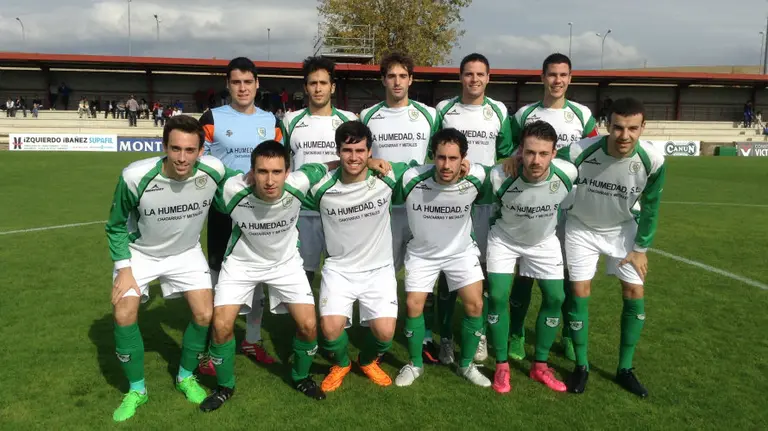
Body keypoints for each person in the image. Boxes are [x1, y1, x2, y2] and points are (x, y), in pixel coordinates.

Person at [199, 141, 392, 411]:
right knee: (221, 327)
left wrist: (369, 162)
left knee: (309, 326)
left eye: (277, 172)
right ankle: (224, 387)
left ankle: (301, 377)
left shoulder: (300, 183)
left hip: (285, 264)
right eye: (262, 172)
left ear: (288, 172)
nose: (269, 180)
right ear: (251, 172)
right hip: (242, 264)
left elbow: (328, 165)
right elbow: (200, 175)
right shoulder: (233, 189)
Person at [104, 115, 228, 422]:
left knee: (204, 314)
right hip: (140, 254)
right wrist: (124, 269)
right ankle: (136, 389)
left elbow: (243, 184)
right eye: (175, 149)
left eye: (190, 150)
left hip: (186, 253)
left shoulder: (215, 170)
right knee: (123, 313)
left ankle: (186, 377)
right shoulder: (135, 176)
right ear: (164, 147)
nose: (182, 158)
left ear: (202, 150)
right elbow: (116, 225)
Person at [558, 97, 665, 397]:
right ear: (607, 126)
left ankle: (625, 369)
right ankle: (581, 366)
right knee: (579, 291)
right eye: (618, 128)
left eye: (633, 128)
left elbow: (653, 207)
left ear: (643, 127)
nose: (625, 135)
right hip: (581, 227)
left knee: (634, 291)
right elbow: (547, 163)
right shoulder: (580, 150)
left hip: (623, 231)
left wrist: (641, 248)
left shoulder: (653, 161)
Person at [506, 53, 599, 362]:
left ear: (570, 78)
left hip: (571, 210)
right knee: (524, 274)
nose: (557, 80)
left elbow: (594, 157)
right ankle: (517, 333)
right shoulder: (524, 115)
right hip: (530, 209)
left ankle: (570, 335)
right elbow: (509, 155)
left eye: (563, 75)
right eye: (552, 74)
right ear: (542, 77)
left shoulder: (582, 115)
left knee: (571, 277)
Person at [308, 121, 413, 393]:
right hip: (338, 269)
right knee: (330, 330)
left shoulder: (385, 177)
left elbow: (422, 167)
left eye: (360, 151)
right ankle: (342, 364)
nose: (353, 157)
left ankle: (366, 361)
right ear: (338, 151)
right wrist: (329, 165)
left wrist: (466, 165)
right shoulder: (321, 188)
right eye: (347, 151)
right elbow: (295, 178)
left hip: (378, 270)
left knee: (385, 334)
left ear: (370, 152)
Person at [198, 57, 283, 371]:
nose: (243, 88)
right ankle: (213, 345)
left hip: (259, 211)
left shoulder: (271, 121)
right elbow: (199, 162)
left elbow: (279, 163)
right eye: (236, 82)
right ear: (228, 85)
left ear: (257, 84)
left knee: (257, 275)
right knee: (218, 276)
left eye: (248, 82)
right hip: (222, 211)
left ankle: (252, 338)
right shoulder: (211, 118)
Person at [360, 51, 442, 364]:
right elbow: (358, 154)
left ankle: (425, 337)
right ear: (383, 79)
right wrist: (369, 160)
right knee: (383, 273)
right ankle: (378, 334)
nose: (397, 82)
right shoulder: (368, 115)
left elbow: (440, 153)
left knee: (424, 272)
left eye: (402, 76)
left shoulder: (428, 114)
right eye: (391, 76)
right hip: (383, 208)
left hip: (422, 206)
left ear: (411, 79)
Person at [393, 128, 491, 388]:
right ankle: (414, 365)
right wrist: (370, 160)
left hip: (460, 251)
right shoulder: (412, 177)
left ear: (464, 158)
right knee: (414, 305)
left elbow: (501, 173)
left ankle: (467, 364)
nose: (446, 165)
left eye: (453, 158)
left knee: (475, 305)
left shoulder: (477, 177)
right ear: (431, 156)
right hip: (422, 253)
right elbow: (379, 168)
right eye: (440, 158)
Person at [487, 120, 578, 394]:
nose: (535, 160)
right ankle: (502, 366)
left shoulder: (567, 173)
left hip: (543, 241)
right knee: (498, 295)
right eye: (529, 153)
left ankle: (540, 365)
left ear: (554, 153)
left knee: (556, 297)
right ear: (520, 151)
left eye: (542, 153)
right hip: (505, 240)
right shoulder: (499, 176)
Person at [434, 52, 513, 364]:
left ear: (488, 78)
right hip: (450, 204)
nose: (474, 79)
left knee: (480, 273)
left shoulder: (499, 111)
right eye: (469, 74)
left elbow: (506, 155)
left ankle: (477, 334)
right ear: (461, 77)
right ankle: (446, 339)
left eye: (480, 74)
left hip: (485, 205)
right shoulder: (445, 110)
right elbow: (433, 153)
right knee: (446, 271)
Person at [280, 56, 357, 283]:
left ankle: (337, 318)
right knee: (304, 273)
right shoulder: (291, 120)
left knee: (342, 272)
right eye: (313, 83)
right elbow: (282, 161)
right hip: (304, 210)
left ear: (332, 87)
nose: (318, 88)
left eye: (323, 83)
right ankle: (306, 318)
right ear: (305, 87)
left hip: (340, 208)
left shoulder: (348, 120)